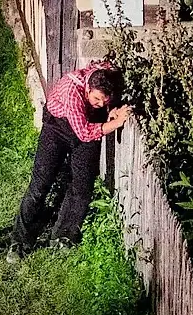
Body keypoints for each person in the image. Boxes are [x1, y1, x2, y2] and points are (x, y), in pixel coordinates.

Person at [11, 63, 130, 258]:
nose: (100, 103)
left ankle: (64, 235)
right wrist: (115, 123)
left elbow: (110, 75)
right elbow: (83, 133)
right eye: (97, 99)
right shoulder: (71, 91)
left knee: (82, 185)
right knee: (40, 184)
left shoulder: (105, 77)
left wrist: (112, 107)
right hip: (57, 128)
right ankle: (20, 241)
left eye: (104, 100)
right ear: (87, 89)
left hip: (88, 125)